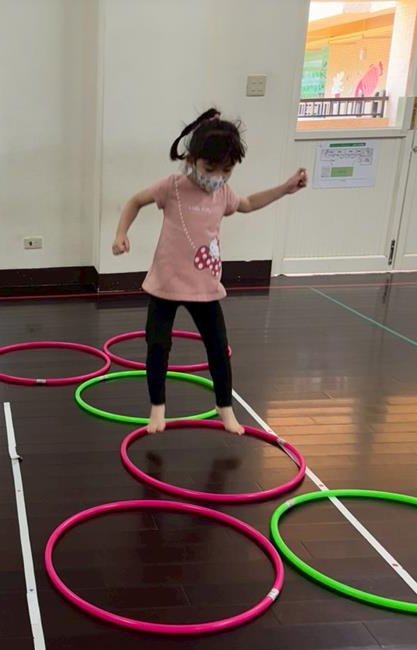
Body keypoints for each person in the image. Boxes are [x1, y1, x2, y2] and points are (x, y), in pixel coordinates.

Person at [112, 109, 307, 435]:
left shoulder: (223, 193)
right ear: (191, 160)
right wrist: (121, 233)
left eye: (226, 171)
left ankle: (224, 407)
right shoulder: (172, 187)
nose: (217, 177)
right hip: (165, 284)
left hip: (204, 287)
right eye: (210, 169)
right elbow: (135, 201)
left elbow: (248, 203)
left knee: (218, 348)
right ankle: (157, 408)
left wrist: (284, 188)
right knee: (158, 345)